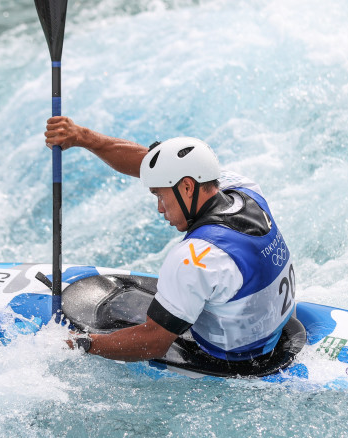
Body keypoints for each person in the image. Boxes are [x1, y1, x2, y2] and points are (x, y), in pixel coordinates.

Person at [45, 116, 295, 363]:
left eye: (160, 196)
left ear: (187, 188)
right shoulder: (245, 190)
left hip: (228, 359)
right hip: (271, 332)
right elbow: (155, 165)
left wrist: (82, 344)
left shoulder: (195, 257)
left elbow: (153, 342)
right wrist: (82, 137)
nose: (160, 209)